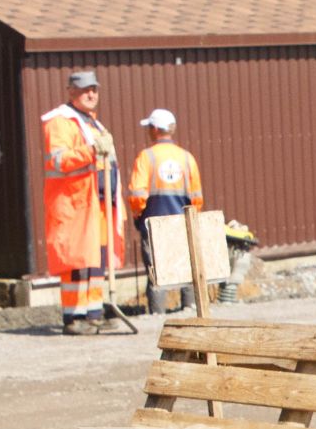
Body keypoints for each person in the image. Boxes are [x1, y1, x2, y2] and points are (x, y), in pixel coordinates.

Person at [41, 70, 126, 334]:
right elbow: (58, 160)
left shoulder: (91, 123)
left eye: (94, 90)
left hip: (97, 203)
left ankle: (94, 312)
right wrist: (90, 151)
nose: (91, 94)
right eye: (85, 90)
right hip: (74, 204)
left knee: (96, 258)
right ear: (71, 92)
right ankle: (74, 317)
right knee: (76, 261)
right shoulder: (60, 122)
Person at [126, 108, 205, 309]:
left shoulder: (146, 157)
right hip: (182, 223)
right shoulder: (186, 158)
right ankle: (189, 309)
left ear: (154, 129)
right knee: (187, 268)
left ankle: (157, 315)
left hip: (153, 223)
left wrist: (138, 214)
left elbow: (137, 195)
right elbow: (197, 197)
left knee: (156, 271)